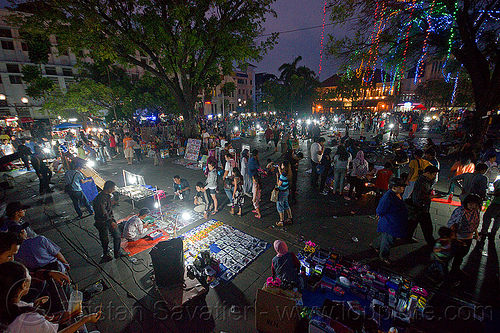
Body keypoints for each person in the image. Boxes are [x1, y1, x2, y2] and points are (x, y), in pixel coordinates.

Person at [0, 261, 102, 332]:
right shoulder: (29, 319)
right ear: (24, 285)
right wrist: (86, 319)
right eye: (29, 275)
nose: (31, 276)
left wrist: (37, 307)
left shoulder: (8, 305)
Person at [370, 178, 408, 264]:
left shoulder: (397, 194)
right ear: (394, 187)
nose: (403, 188)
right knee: (388, 240)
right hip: (389, 223)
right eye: (401, 187)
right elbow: (380, 210)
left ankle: (375, 244)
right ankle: (383, 256)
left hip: (395, 222)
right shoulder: (388, 197)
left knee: (386, 237)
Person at [447, 194, 482, 286]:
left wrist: (476, 233)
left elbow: (475, 223)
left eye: (475, 204)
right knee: (451, 255)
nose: (473, 206)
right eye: (471, 204)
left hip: (468, 237)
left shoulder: (476, 211)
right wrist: (455, 238)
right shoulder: (460, 211)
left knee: (461, 255)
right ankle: (447, 275)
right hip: (458, 238)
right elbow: (453, 224)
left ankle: (455, 269)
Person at [93, 181, 130, 261]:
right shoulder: (101, 198)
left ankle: (117, 253)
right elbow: (103, 212)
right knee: (105, 239)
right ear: (109, 188)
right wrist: (111, 222)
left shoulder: (107, 196)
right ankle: (106, 254)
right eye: (113, 188)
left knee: (117, 236)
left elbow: (108, 210)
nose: (113, 190)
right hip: (103, 222)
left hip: (110, 220)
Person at [409, 165, 440, 247]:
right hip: (420, 207)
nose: (434, 176)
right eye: (433, 174)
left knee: (413, 223)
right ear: (427, 173)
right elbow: (419, 196)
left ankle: (407, 237)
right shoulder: (421, 182)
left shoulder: (426, 180)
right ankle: (431, 243)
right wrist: (433, 196)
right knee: (427, 227)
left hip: (420, 207)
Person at [276, 160, 293, 227]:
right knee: (286, 205)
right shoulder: (289, 173)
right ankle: (290, 218)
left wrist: (277, 178)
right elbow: (282, 176)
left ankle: (281, 220)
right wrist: (280, 170)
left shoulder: (283, 176)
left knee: (280, 206)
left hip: (281, 192)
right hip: (286, 191)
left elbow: (279, 184)